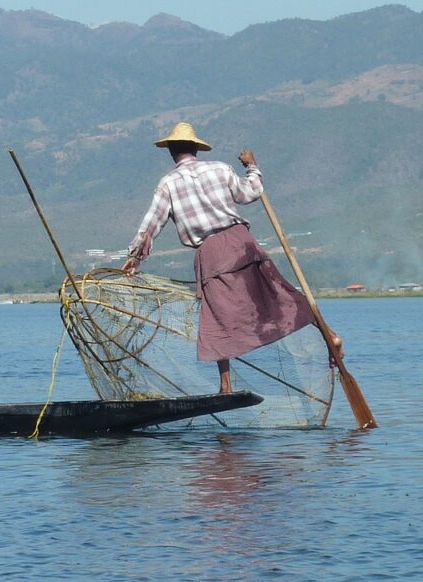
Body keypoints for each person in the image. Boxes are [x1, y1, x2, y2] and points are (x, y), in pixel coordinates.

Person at [122, 121, 321, 394]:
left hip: (212, 253)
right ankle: (328, 334)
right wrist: (252, 167)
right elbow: (250, 192)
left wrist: (134, 258)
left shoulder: (168, 184)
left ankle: (225, 385)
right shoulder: (220, 169)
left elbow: (150, 226)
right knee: (280, 293)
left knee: (217, 316)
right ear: (196, 149)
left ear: (171, 152)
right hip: (242, 243)